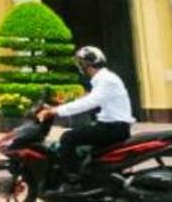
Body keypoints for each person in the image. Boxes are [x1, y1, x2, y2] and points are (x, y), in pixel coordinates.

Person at [36, 46, 133, 186]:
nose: (80, 66)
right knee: (84, 142)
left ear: (86, 64)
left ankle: (73, 179)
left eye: (81, 63)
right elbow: (88, 98)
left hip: (113, 128)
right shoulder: (104, 78)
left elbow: (89, 103)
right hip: (112, 126)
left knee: (68, 138)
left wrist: (56, 111)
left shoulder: (106, 80)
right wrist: (58, 105)